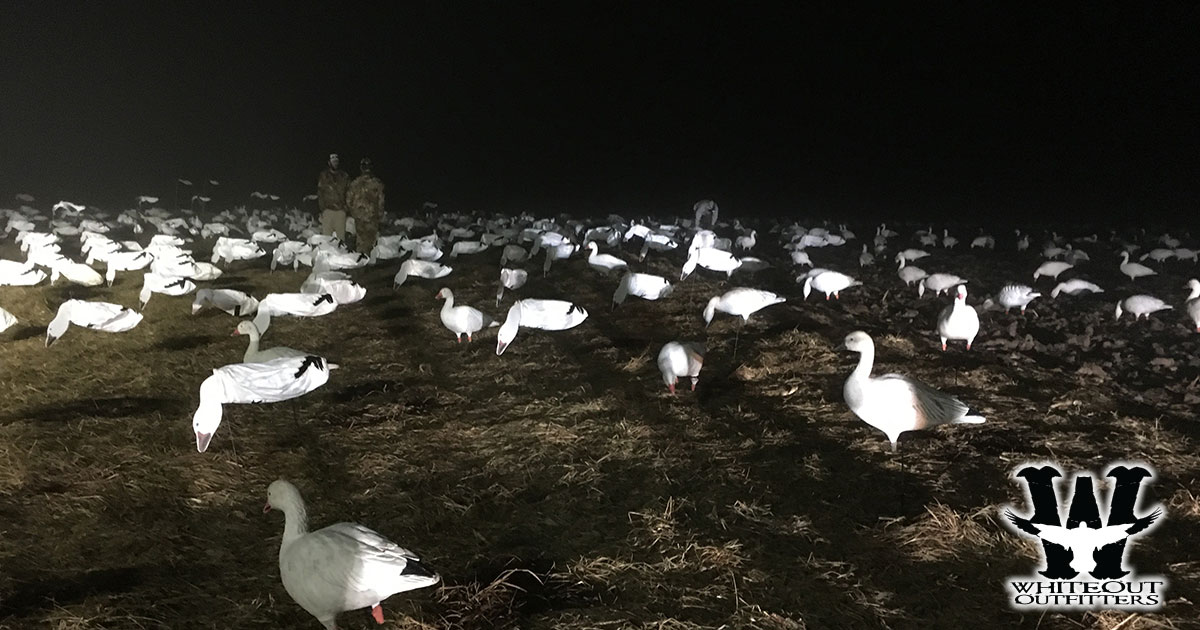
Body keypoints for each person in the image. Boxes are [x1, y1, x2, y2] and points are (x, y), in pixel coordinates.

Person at [346, 157, 385, 256]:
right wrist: (379, 215)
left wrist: (355, 212)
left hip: (360, 217)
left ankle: (361, 261)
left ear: (361, 168)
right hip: (372, 217)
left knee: (361, 240)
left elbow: (348, 200)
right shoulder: (377, 183)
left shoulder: (355, 183)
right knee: (371, 240)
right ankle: (369, 261)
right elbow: (381, 201)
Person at [317, 153, 349, 239]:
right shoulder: (324, 175)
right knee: (326, 240)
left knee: (341, 240)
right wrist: (322, 209)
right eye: (333, 159)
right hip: (328, 212)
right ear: (329, 162)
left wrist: (346, 208)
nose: (335, 161)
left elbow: (349, 192)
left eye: (336, 159)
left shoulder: (344, 176)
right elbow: (320, 193)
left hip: (340, 212)